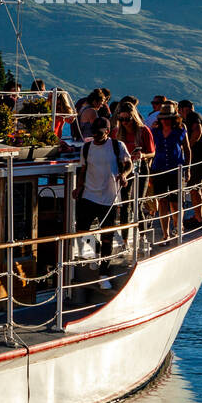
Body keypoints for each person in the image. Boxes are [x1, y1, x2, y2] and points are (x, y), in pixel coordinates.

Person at [74, 117, 133, 290]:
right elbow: (83, 169)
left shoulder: (117, 146)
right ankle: (96, 249)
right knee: (81, 230)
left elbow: (128, 164)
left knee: (107, 237)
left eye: (99, 133)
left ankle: (103, 274)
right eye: (93, 133)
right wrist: (78, 187)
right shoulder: (86, 148)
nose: (95, 136)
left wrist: (124, 175)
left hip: (109, 198)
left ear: (107, 131)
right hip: (89, 195)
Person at [149, 101, 190, 241]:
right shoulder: (155, 131)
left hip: (176, 170)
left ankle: (178, 227)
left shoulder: (180, 129)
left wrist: (187, 169)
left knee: (175, 202)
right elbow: (151, 152)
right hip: (159, 169)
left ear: (173, 118)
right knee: (162, 201)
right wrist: (149, 173)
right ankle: (165, 234)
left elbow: (187, 149)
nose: (165, 120)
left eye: (168, 118)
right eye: (163, 118)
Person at [112, 103, 155, 226]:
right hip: (124, 167)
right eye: (121, 119)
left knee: (138, 203)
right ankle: (125, 237)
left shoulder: (144, 131)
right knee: (125, 203)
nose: (124, 122)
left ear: (134, 117)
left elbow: (152, 152)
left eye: (127, 119)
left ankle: (142, 234)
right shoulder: (117, 132)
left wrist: (142, 155)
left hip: (140, 167)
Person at [178, 99, 202, 223]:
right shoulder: (198, 116)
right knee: (201, 186)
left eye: (179, 110)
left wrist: (187, 147)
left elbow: (197, 131)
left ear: (183, 109)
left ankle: (198, 218)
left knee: (194, 187)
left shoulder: (192, 116)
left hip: (201, 156)